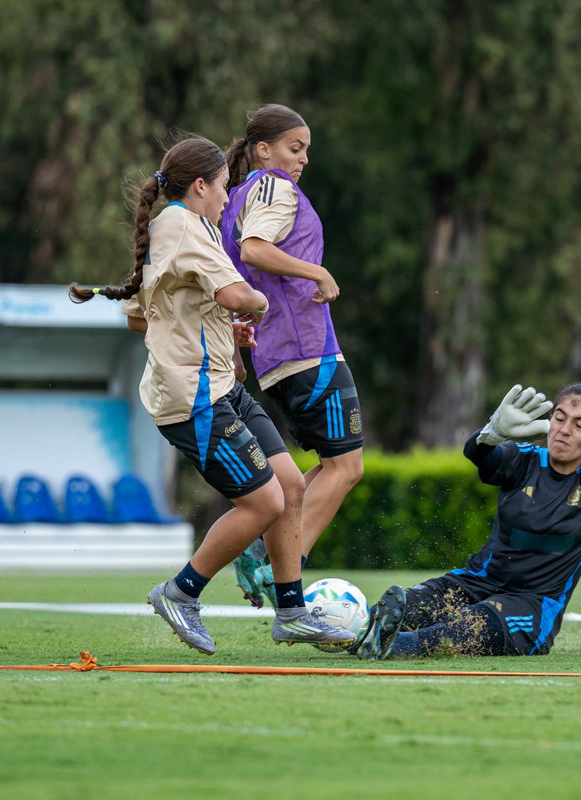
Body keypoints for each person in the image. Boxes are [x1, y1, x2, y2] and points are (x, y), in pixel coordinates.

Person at [68, 136, 354, 654]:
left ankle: (291, 612)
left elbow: (140, 318)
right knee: (264, 500)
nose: (228, 198)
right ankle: (180, 592)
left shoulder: (174, 227)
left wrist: (226, 328)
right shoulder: (183, 224)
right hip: (193, 398)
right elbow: (241, 294)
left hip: (221, 385)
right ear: (201, 186)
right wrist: (264, 302)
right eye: (224, 187)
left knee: (290, 485)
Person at [348, 317, 581, 660]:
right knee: (409, 603)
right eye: (559, 418)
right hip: (476, 583)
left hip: (532, 607)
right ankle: (347, 630)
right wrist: (489, 434)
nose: (564, 429)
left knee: (472, 624)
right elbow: (479, 456)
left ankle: (400, 646)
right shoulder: (523, 459)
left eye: (579, 424)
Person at [218, 104, 364, 608]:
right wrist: (317, 272)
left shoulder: (235, 196)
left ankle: (267, 552)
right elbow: (255, 249)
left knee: (331, 466)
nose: (302, 160)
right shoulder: (273, 187)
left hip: (278, 358)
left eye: (305, 151)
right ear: (264, 150)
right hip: (307, 349)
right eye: (294, 148)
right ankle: (277, 562)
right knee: (346, 468)